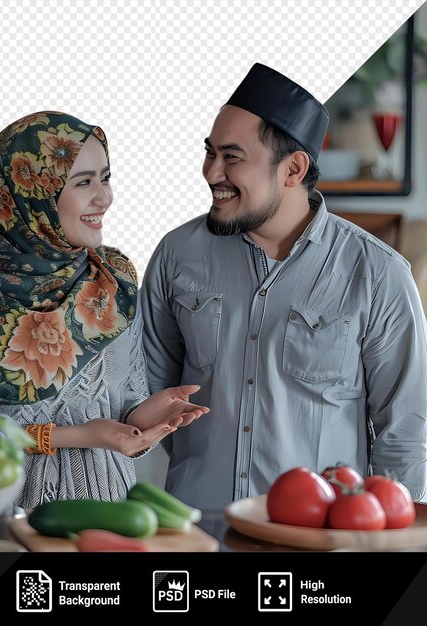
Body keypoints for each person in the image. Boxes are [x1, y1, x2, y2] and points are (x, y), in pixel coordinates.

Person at [140, 63, 427, 510]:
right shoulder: (177, 255)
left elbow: (406, 436)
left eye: (231, 157)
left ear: (293, 169)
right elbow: (149, 399)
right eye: (209, 152)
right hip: (197, 533)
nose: (211, 172)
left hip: (316, 541)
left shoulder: (378, 274)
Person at [0, 111, 207, 508]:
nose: (104, 198)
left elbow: (124, 407)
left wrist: (144, 419)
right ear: (29, 194)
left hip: (113, 519)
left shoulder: (112, 283)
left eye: (105, 178)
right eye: (83, 183)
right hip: (1, 522)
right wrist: (70, 436)